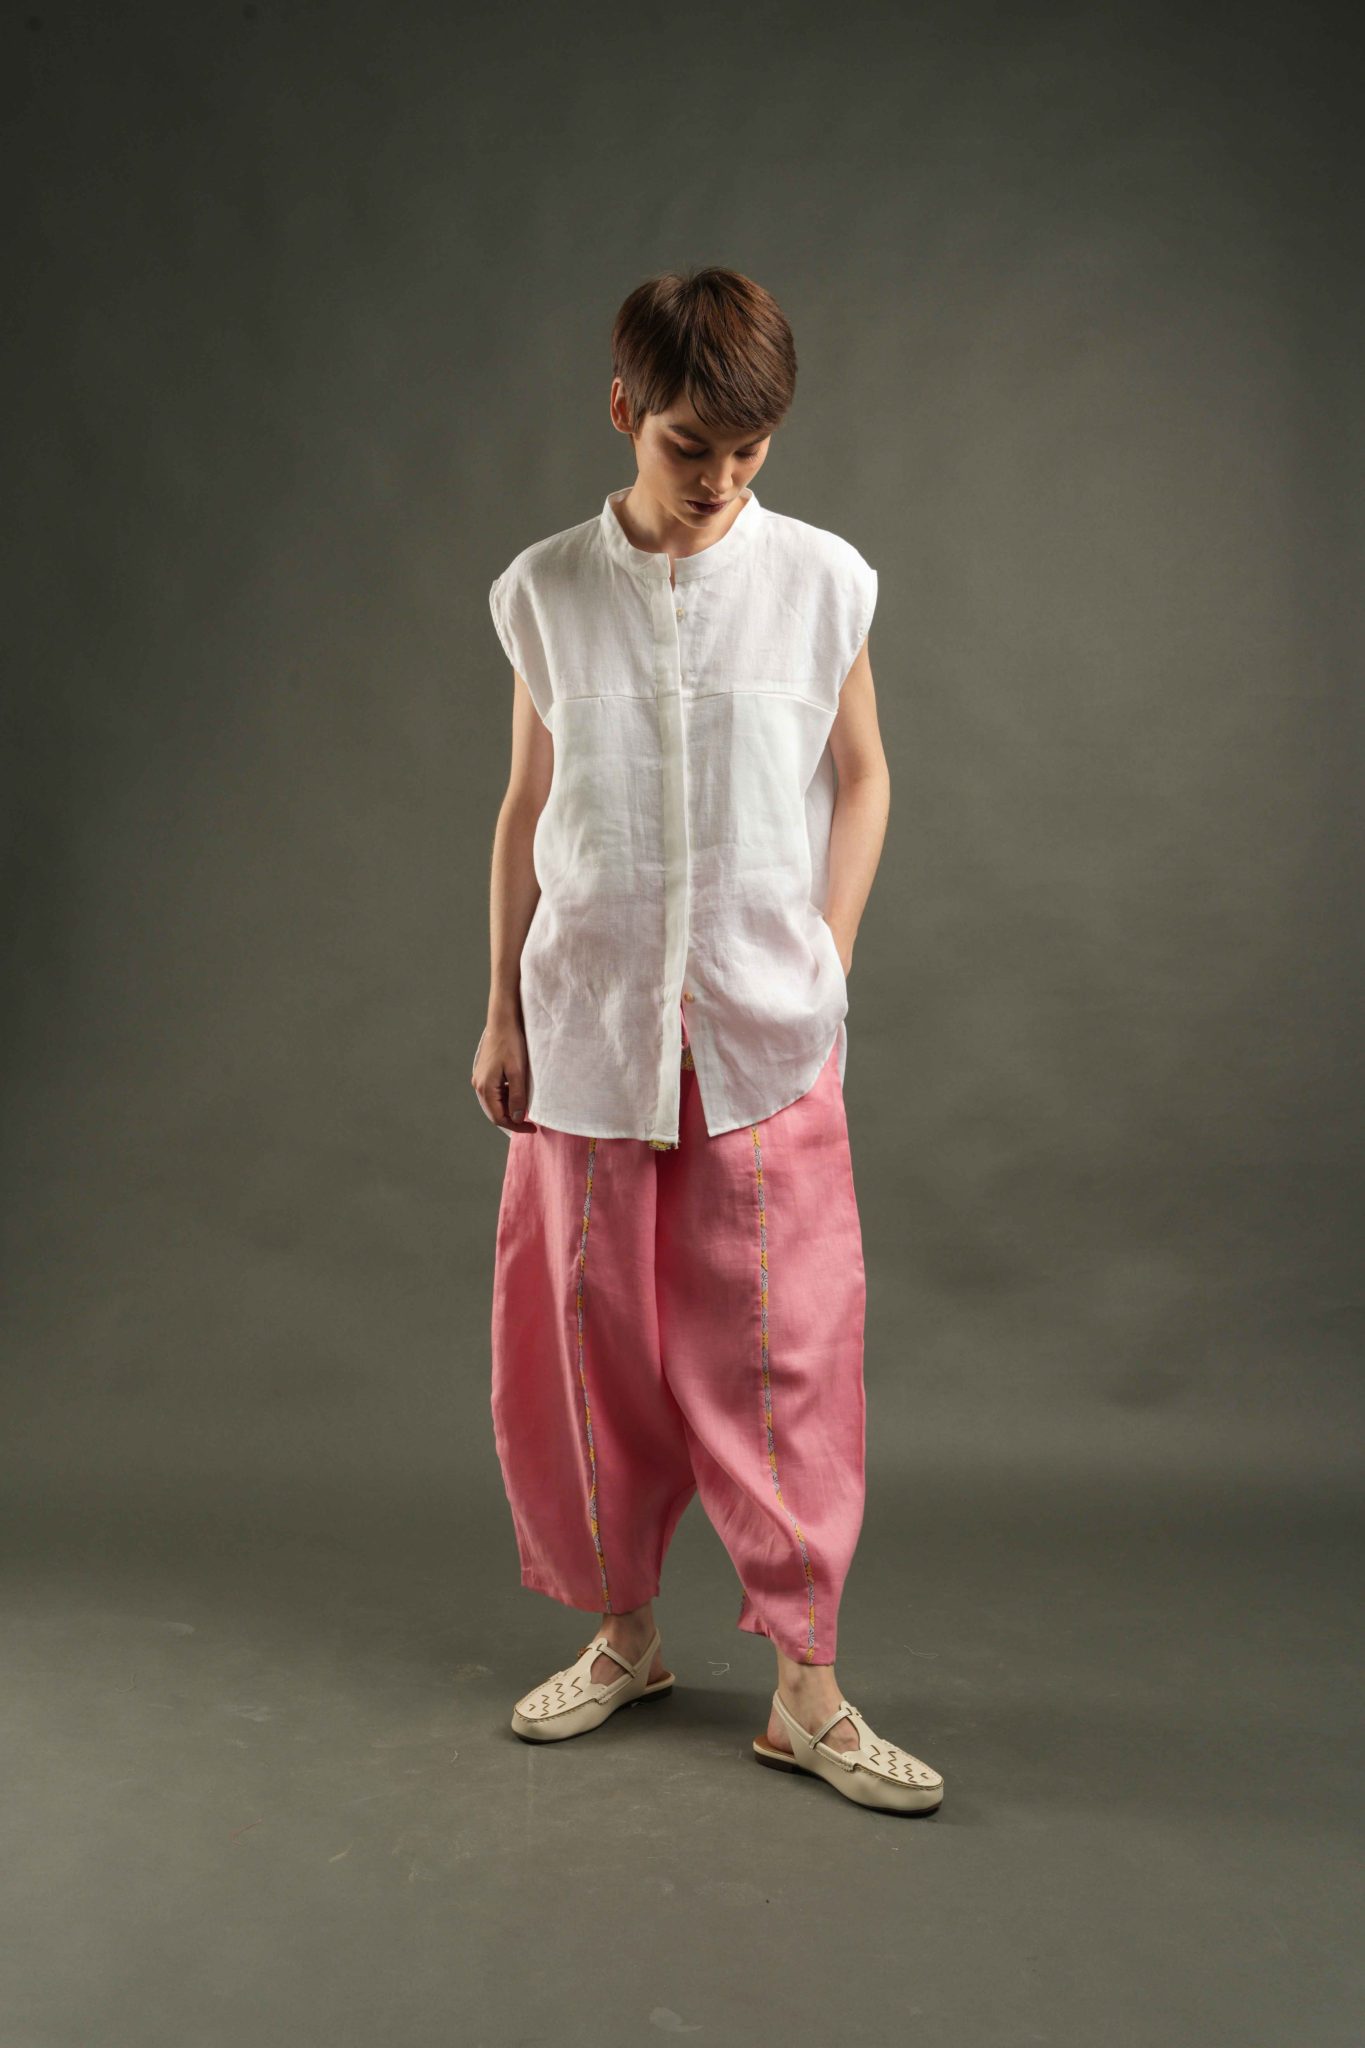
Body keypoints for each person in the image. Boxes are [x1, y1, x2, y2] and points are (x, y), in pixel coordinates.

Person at [472, 267, 943, 1814]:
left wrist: (825, 958)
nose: (719, 479)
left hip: (762, 1028)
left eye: (748, 451)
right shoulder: (545, 589)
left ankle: (805, 1688)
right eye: (689, 446)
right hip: (589, 1024)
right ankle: (625, 1638)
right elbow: (527, 808)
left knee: (781, 1349)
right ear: (624, 411)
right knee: (590, 1342)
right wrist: (499, 1007)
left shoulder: (821, 581)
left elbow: (863, 776)